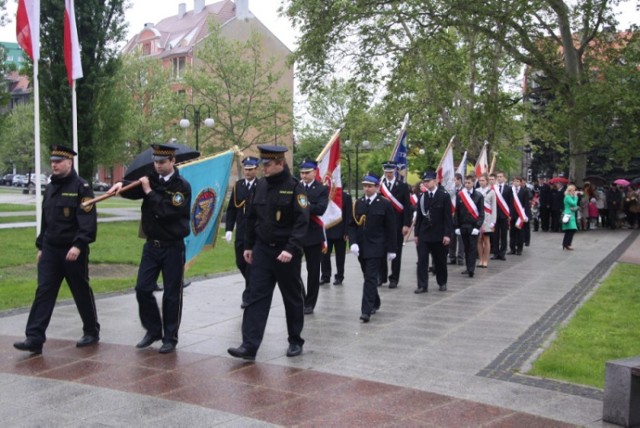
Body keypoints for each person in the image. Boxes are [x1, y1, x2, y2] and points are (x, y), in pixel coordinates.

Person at [14, 145, 100, 354]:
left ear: (69, 162)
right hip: (51, 249)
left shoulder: (82, 187)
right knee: (44, 291)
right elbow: (47, 220)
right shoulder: (51, 186)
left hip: (72, 250)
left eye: (58, 161)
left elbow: (88, 221)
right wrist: (41, 245)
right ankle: (34, 337)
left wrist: (79, 245)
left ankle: (91, 330)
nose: (54, 164)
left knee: (80, 290)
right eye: (52, 161)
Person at [228, 145, 309, 360]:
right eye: (263, 164)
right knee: (256, 296)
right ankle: (249, 345)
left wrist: (291, 249)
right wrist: (247, 245)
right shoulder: (260, 186)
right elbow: (251, 218)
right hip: (262, 250)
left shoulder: (295, 188)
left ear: (280, 164)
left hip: (285, 253)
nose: (264, 168)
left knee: (291, 298)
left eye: (268, 164)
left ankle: (295, 340)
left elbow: (302, 222)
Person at [108, 144, 192, 354]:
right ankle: (153, 329)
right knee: (142, 288)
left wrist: (149, 191)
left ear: (173, 161)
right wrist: (120, 184)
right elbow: (132, 190)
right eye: (156, 162)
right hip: (152, 245)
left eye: (162, 162)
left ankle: (170, 337)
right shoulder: (150, 178)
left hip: (173, 247)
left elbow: (167, 211)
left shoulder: (181, 186)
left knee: (172, 294)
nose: (158, 166)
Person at [349, 173, 397, 322]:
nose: (367, 189)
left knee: (370, 278)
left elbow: (391, 228)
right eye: (364, 186)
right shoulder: (358, 203)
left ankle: (366, 311)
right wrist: (353, 242)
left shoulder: (385, 203)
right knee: (367, 276)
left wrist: (392, 249)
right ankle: (375, 301)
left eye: (370, 186)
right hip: (362, 247)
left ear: (377, 187)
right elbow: (352, 225)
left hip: (377, 246)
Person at [224, 156, 259, 309]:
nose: (247, 172)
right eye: (246, 169)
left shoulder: (261, 185)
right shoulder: (238, 186)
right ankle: (255, 287)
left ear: (256, 170)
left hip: (255, 233)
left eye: (251, 169)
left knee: (250, 265)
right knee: (240, 262)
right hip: (241, 231)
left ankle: (248, 295)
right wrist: (229, 229)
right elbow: (232, 209)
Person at [298, 159, 329, 314]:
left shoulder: (322, 189)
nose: (303, 175)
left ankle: (310, 302)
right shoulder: (296, 187)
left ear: (314, 172)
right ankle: (301, 298)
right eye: (302, 173)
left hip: (313, 234)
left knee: (313, 270)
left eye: (307, 172)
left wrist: (304, 206)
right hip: (296, 234)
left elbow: (321, 208)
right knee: (292, 270)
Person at [414, 171, 452, 293]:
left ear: (435, 181)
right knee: (422, 261)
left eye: (428, 181)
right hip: (424, 234)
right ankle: (422, 285)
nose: (426, 183)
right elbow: (419, 218)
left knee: (440, 260)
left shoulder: (444, 195)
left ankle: (442, 282)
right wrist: (416, 234)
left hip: (438, 234)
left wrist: (447, 234)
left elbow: (447, 217)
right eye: (424, 181)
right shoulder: (422, 197)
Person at [378, 161, 412, 288]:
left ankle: (394, 278)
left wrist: (406, 224)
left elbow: (407, 207)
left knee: (396, 252)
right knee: (381, 251)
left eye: (390, 172)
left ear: (395, 172)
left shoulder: (402, 186)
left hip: (397, 224)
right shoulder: (380, 186)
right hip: (382, 225)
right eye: (386, 172)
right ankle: (381, 277)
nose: (388, 174)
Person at [320, 189, 353, 286]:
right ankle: (325, 276)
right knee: (324, 255)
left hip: (340, 231)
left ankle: (339, 276)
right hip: (326, 230)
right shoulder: (324, 195)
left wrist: (347, 232)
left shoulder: (345, 197)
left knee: (340, 256)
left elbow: (348, 216)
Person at [455, 175, 484, 278]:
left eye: (469, 183)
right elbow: (457, 212)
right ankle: (468, 268)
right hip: (463, 226)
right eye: (466, 183)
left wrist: (478, 227)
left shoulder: (479, 196)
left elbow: (481, 213)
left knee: (472, 248)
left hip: (473, 227)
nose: (467, 185)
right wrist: (457, 226)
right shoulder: (460, 195)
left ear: (473, 183)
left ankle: (471, 269)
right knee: (466, 248)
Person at [476, 174, 496, 268]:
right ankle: (480, 259)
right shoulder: (476, 191)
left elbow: (494, 207)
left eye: (483, 180)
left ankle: (485, 260)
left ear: (487, 181)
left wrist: (493, 220)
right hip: (478, 218)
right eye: (480, 180)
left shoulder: (491, 192)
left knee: (486, 240)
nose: (481, 182)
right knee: (479, 239)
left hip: (488, 218)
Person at [490, 172, 511, 260]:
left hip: (504, 215)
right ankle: (495, 252)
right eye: (498, 177)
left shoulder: (508, 189)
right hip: (495, 215)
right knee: (495, 235)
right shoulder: (493, 188)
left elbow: (510, 202)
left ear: (504, 178)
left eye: (500, 177)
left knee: (503, 235)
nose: (499, 178)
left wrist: (509, 214)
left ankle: (502, 253)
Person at [449, 173, 466, 265]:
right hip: (452, 216)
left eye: (455, 180)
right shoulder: (451, 191)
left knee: (461, 238)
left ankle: (460, 257)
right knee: (452, 237)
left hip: (461, 217)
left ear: (459, 180)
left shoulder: (464, 190)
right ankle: (452, 257)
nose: (453, 182)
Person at [562, 185, 579, 250]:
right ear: (570, 191)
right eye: (573, 190)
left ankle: (566, 244)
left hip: (571, 214)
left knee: (570, 230)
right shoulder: (567, 197)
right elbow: (574, 203)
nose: (574, 192)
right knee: (571, 230)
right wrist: (576, 197)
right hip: (568, 214)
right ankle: (567, 244)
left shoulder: (569, 197)